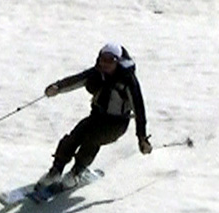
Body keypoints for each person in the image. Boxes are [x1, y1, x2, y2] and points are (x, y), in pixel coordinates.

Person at [38, 42, 152, 188]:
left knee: (92, 140)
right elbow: (76, 80)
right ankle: (56, 171)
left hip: (116, 124)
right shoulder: (97, 73)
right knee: (74, 136)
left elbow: (139, 109)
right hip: (97, 117)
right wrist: (57, 87)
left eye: (110, 60)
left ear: (118, 62)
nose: (106, 64)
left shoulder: (128, 81)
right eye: (103, 59)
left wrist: (142, 138)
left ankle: (76, 173)